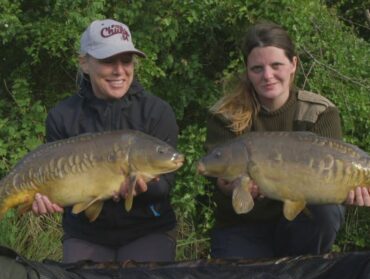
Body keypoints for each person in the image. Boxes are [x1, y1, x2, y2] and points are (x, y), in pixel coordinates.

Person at [205, 22, 370, 259]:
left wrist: (352, 192)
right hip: (242, 226)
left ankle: (303, 270)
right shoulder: (225, 114)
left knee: (328, 211)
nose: (268, 76)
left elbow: (333, 183)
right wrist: (228, 186)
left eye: (276, 65)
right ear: (247, 70)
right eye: (257, 69)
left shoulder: (320, 112)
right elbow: (217, 180)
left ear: (293, 64)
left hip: (300, 225)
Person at [31, 19, 179, 263]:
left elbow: (164, 187)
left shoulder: (157, 112)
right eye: (108, 61)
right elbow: (55, 182)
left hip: (147, 229)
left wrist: (142, 187)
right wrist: (42, 198)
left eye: (126, 60)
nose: (120, 70)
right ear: (85, 63)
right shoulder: (63, 116)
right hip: (86, 233)